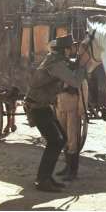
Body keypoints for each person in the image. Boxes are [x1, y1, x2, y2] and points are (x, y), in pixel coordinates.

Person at [24, 34, 88, 192]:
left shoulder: (56, 59)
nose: (74, 49)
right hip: (37, 107)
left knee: (61, 139)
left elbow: (67, 67)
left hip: (42, 105)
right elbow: (74, 81)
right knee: (56, 141)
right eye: (72, 47)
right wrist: (83, 67)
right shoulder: (56, 64)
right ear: (66, 50)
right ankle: (43, 180)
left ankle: (45, 177)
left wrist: (75, 64)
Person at [55, 51, 88, 181]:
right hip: (61, 107)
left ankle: (73, 171)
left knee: (73, 139)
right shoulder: (60, 72)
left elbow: (84, 91)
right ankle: (67, 167)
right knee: (64, 138)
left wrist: (81, 109)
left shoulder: (78, 74)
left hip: (73, 110)